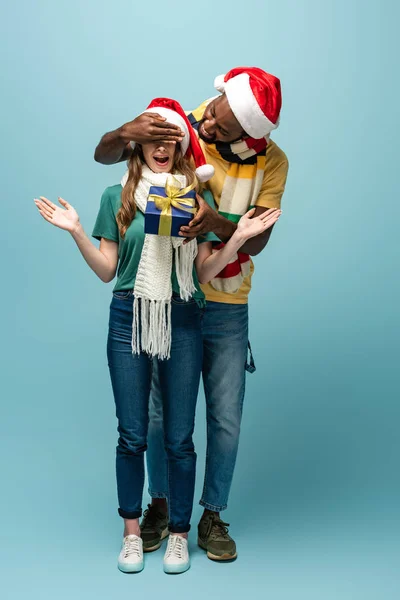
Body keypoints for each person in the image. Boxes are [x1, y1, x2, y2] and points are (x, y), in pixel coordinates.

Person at [35, 97, 281, 573]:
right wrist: (77, 231)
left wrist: (233, 238)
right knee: (131, 433)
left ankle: (178, 534)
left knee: (179, 437)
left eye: (172, 140)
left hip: (185, 314)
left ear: (182, 148)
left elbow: (206, 272)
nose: (163, 147)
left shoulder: (196, 197)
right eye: (154, 139)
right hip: (129, 315)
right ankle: (131, 533)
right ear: (140, 145)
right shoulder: (116, 196)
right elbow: (109, 270)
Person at [94, 67, 289, 561]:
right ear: (218, 98)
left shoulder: (273, 163)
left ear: (250, 134)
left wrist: (217, 223)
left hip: (225, 300)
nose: (212, 129)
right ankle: (160, 506)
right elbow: (115, 159)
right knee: (158, 418)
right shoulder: (185, 126)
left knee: (224, 418)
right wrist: (125, 132)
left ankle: (210, 514)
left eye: (225, 130)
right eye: (215, 117)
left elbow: (259, 237)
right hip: (170, 299)